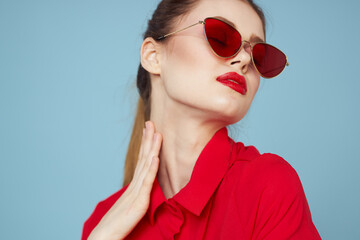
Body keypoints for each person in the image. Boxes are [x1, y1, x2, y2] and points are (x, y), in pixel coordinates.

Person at [81, 0, 322, 239]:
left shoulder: (267, 186)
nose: (245, 60)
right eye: (220, 37)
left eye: (259, 55)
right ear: (153, 56)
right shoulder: (103, 221)